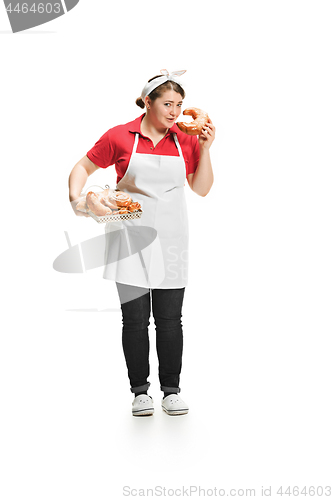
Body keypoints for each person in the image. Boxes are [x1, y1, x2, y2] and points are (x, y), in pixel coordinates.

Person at [68, 70, 215, 416]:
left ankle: (171, 391)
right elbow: (82, 166)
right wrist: (76, 198)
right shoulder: (120, 136)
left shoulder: (187, 139)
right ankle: (139, 393)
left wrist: (206, 149)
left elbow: (202, 188)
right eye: (167, 104)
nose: (175, 112)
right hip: (127, 237)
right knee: (134, 319)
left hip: (172, 238)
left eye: (179, 105)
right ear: (147, 102)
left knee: (169, 319)